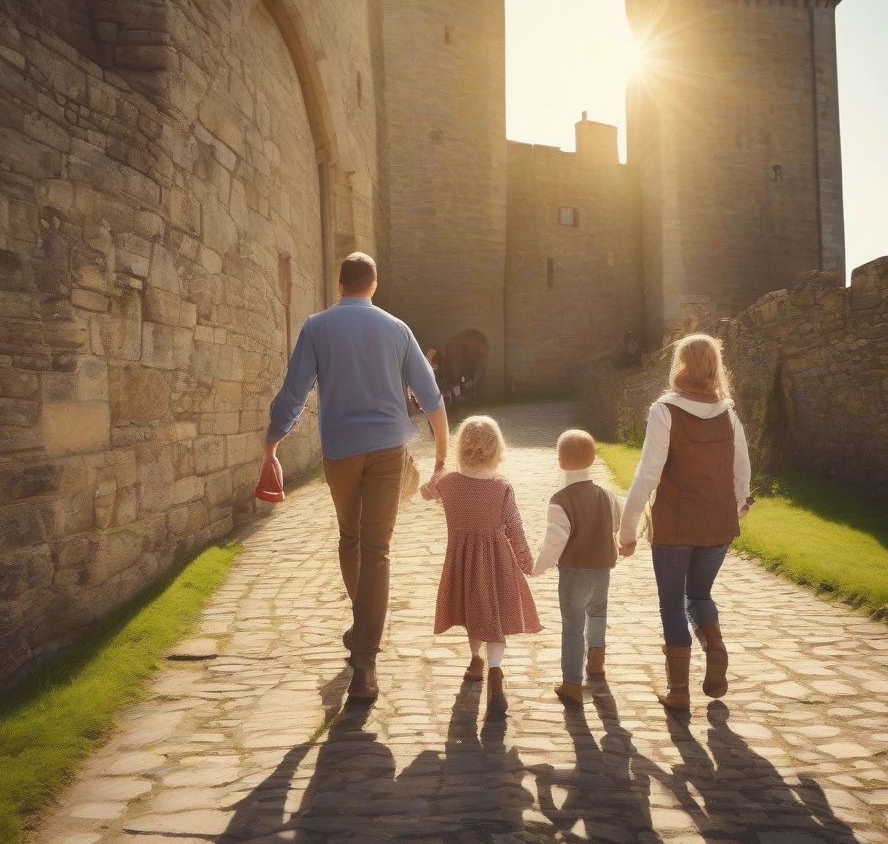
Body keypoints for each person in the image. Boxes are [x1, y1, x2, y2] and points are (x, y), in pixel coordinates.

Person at [262, 252, 449, 703]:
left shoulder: (317, 327)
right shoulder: (397, 328)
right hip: (387, 449)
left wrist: (272, 443)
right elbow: (430, 396)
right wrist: (442, 456)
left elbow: (294, 391)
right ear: (374, 284)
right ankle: (365, 658)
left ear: (338, 283)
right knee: (376, 548)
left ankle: (363, 644)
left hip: (341, 450)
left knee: (351, 539)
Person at [618, 333, 752, 710]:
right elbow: (742, 469)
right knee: (699, 594)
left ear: (681, 365)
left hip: (674, 525)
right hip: (717, 522)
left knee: (673, 605)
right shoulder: (729, 412)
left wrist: (627, 531)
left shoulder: (665, 410)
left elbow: (647, 474)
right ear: (714, 367)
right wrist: (738, 505)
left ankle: (678, 692)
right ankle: (716, 647)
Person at [421, 415, 541, 717]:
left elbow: (426, 492)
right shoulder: (501, 487)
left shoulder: (449, 483)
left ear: (461, 447)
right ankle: (495, 671)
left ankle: (476, 660)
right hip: (498, 562)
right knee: (495, 617)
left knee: (473, 610)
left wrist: (437, 470)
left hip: (462, 562)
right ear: (497, 448)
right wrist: (526, 563)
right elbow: (515, 527)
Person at [531, 429, 622, 708]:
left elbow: (555, 540)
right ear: (593, 458)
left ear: (559, 461)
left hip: (574, 571)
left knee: (572, 626)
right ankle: (596, 663)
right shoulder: (608, 496)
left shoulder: (561, 500)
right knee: (598, 613)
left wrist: (537, 567)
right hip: (602, 568)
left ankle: (572, 682)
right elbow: (615, 526)